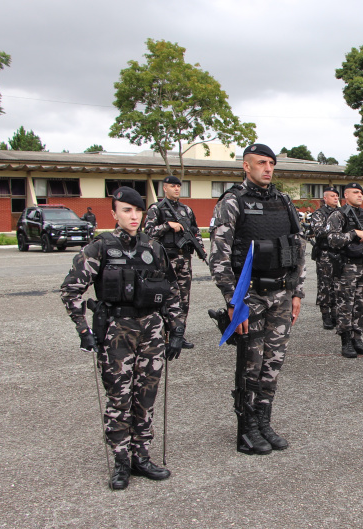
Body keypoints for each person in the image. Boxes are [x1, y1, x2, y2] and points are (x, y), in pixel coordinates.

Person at [60, 186, 184, 490]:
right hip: (117, 332)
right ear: (114, 213)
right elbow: (71, 290)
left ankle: (141, 456)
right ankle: (120, 461)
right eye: (126, 210)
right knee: (119, 398)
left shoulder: (154, 248)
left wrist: (176, 328)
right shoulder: (99, 247)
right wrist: (83, 329)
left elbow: (171, 291)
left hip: (151, 330)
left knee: (146, 397)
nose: (133, 216)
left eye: (138, 210)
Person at [209, 144, 305, 455]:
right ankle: (247, 429)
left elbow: (297, 247)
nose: (267, 168)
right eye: (261, 163)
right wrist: (232, 300)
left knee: (272, 364)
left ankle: (264, 422)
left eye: (271, 163)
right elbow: (219, 257)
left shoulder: (283, 201)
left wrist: (297, 291)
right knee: (251, 366)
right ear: (246, 167)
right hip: (249, 295)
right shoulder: (233, 202)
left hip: (280, 292)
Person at [143, 176, 200, 349]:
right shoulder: (157, 209)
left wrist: (198, 245)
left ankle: (179, 334)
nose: (176, 189)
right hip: (165, 260)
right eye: (172, 186)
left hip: (184, 259)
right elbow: (148, 233)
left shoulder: (186, 210)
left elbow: (195, 230)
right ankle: (162, 333)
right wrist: (167, 225)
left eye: (178, 186)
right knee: (165, 296)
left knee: (183, 298)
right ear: (164, 188)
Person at [323, 183, 363, 358]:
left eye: (361, 192)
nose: (359, 195)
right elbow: (332, 239)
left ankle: (357, 338)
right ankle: (346, 341)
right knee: (345, 304)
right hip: (346, 266)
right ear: (345, 195)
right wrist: (353, 234)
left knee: (362, 305)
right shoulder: (338, 215)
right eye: (355, 192)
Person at [308, 187, 340, 329]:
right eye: (332, 196)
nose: (335, 198)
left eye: (337, 196)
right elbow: (319, 231)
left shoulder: (340, 212)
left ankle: (335, 314)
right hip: (325, 253)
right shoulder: (319, 213)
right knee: (325, 285)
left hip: (339, 253)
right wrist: (334, 229)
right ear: (325, 198)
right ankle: (325, 315)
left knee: (337, 285)